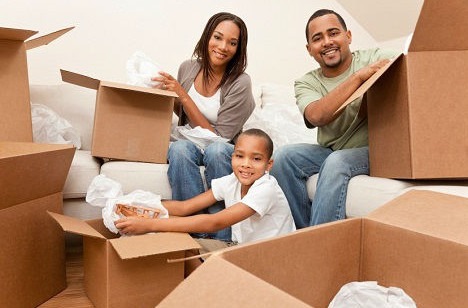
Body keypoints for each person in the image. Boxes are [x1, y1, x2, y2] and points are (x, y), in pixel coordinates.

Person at [270, 9, 399, 229]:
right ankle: (305, 235)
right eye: (318, 39)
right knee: (284, 157)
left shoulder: (374, 57)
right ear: (309, 49)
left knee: (336, 162)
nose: (327, 42)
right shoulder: (306, 82)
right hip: (333, 148)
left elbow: (413, 63)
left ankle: (318, 246)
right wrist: (358, 78)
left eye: (333, 33)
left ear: (348, 36)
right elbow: (316, 115)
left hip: (373, 150)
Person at [115, 128, 296, 274]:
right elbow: (185, 207)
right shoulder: (232, 180)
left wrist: (149, 225)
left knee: (174, 239)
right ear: (232, 157)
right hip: (242, 248)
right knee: (181, 245)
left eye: (256, 159)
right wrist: (140, 205)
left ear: (268, 165)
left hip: (269, 260)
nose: (246, 164)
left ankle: (212, 291)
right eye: (240, 156)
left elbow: (214, 222)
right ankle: (208, 289)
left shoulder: (266, 189)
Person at [152, 12, 255, 241]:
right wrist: (167, 97)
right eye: (217, 37)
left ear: (239, 49)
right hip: (188, 141)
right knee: (178, 150)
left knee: (216, 152)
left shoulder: (240, 82)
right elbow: (183, 115)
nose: (223, 46)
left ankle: (222, 236)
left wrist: (183, 96)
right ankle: (194, 235)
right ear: (207, 36)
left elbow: (220, 137)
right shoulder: (188, 68)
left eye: (232, 42)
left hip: (222, 145)